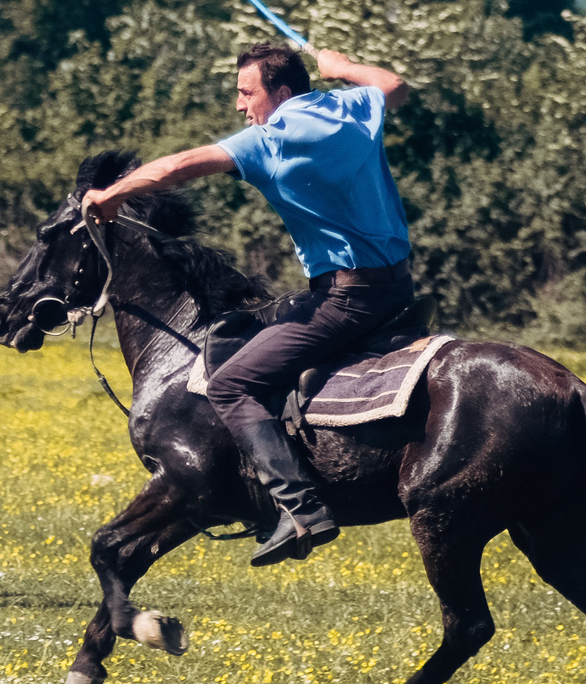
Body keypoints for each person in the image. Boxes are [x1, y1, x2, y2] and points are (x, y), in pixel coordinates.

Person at [81, 42, 412, 567]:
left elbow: (179, 166)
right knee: (246, 323)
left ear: (280, 94)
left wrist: (113, 194)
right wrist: (343, 68)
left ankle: (300, 507)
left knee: (231, 382)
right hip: (394, 284)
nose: (240, 105)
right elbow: (394, 85)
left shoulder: (275, 138)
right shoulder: (347, 106)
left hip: (348, 297)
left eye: (246, 92)